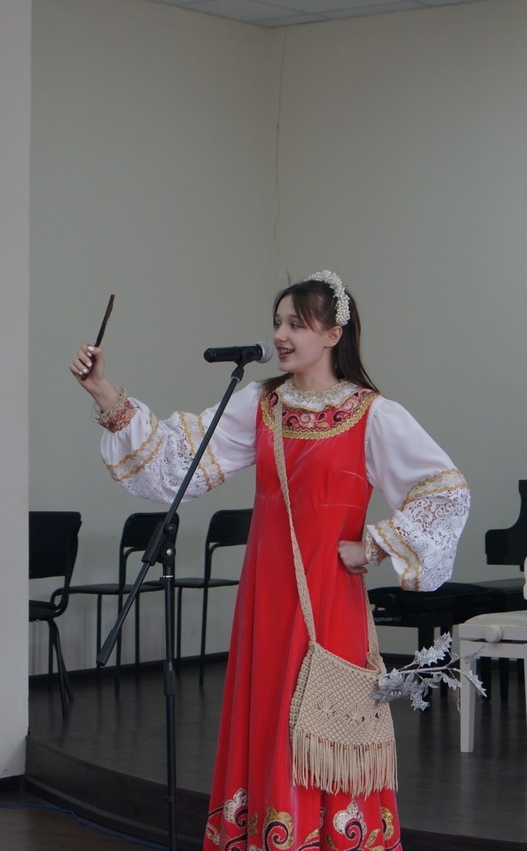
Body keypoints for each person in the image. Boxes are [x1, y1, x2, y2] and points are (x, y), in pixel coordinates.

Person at [70, 271, 469, 851]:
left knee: (324, 722)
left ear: (333, 334)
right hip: (266, 592)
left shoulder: (373, 413)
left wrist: (376, 544)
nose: (281, 335)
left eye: (296, 324)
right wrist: (106, 394)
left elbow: (445, 491)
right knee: (268, 715)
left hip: (328, 594)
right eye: (277, 322)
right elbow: (181, 461)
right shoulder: (260, 403)